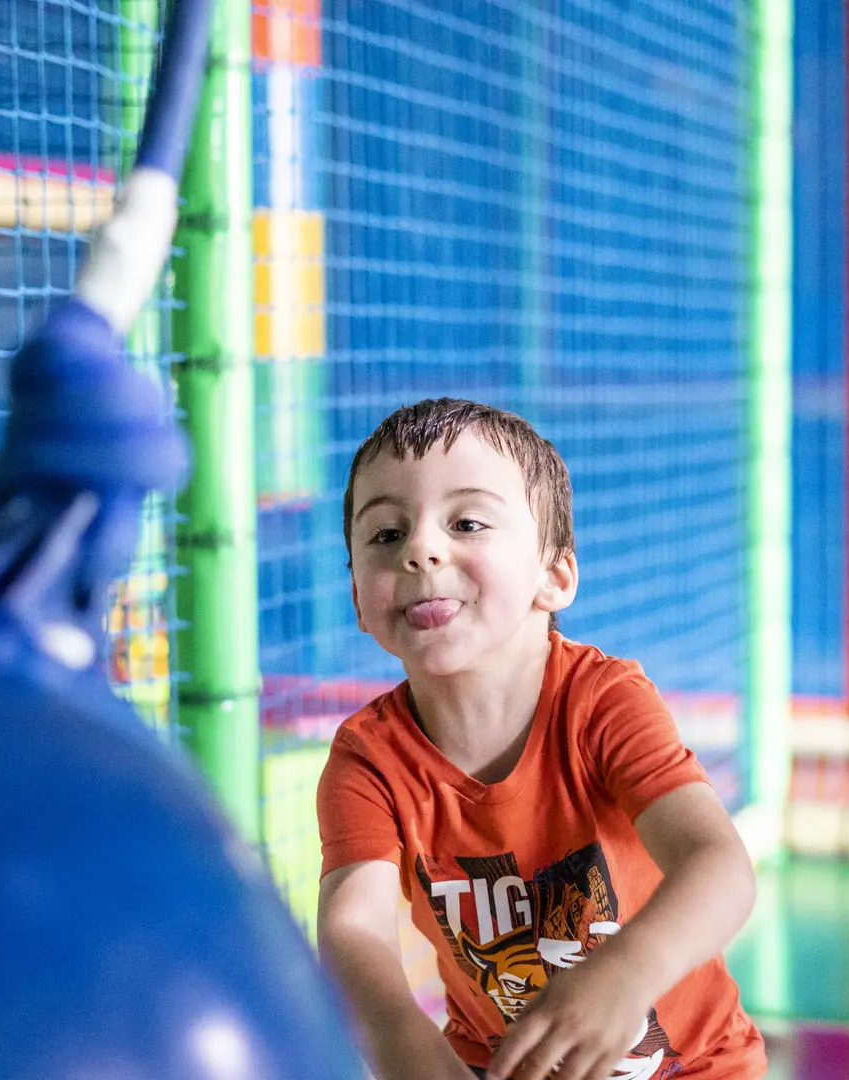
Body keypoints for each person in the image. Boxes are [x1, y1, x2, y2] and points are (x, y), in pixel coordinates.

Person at [316, 398, 766, 1080]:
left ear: (554, 576)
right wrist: (399, 1038)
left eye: (466, 522)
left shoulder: (601, 701)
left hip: (696, 1066)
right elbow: (354, 931)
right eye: (385, 535)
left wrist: (625, 974)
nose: (421, 550)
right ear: (357, 596)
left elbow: (719, 866)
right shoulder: (368, 760)